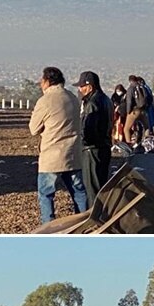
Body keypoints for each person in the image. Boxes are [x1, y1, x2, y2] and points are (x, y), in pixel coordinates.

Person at [29, 66, 88, 223]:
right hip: (72, 153)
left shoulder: (45, 101)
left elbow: (33, 129)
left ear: (47, 81)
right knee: (78, 191)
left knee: (46, 193)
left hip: (51, 155)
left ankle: (48, 226)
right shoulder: (72, 98)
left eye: (42, 81)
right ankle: (84, 221)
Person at [75, 71, 112, 206]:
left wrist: (84, 141)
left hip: (92, 150)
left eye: (82, 86)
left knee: (92, 189)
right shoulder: (106, 100)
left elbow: (88, 128)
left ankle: (94, 219)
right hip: (105, 147)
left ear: (90, 87)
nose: (80, 89)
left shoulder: (92, 103)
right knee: (101, 186)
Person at [122, 75, 147, 145]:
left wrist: (128, 112)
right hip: (143, 110)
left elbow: (129, 101)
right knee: (147, 127)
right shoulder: (141, 87)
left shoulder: (131, 88)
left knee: (126, 129)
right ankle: (148, 141)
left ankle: (128, 144)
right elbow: (147, 97)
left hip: (134, 111)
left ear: (130, 81)